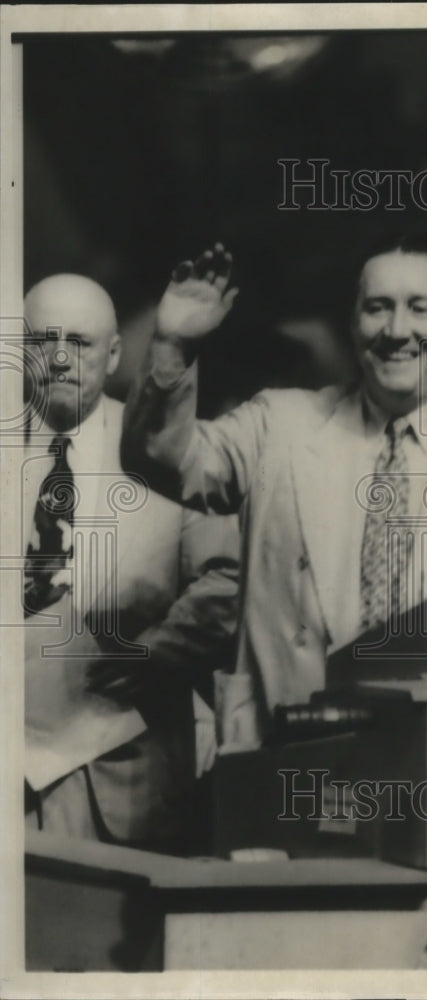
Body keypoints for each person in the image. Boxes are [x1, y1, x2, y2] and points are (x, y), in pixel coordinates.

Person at [121, 239, 427, 745]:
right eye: (378, 308)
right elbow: (159, 460)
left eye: (420, 308)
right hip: (287, 750)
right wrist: (173, 347)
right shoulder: (278, 425)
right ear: (353, 322)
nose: (397, 331)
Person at [23, 273, 240, 853]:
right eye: (45, 341)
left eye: (82, 343)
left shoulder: (166, 452)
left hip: (129, 783)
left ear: (114, 352)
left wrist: (155, 653)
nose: (63, 359)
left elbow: (227, 582)